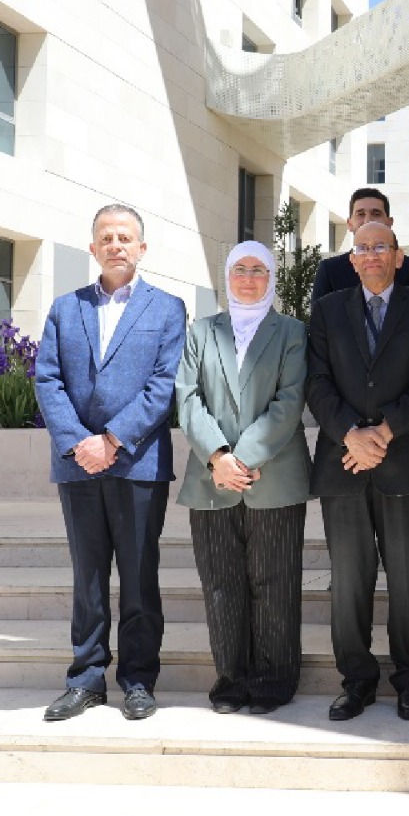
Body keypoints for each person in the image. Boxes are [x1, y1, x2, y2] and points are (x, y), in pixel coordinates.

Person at [34, 205, 186, 723]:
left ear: (142, 248)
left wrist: (113, 440)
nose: (116, 244)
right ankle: (86, 680)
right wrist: (80, 442)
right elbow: (47, 379)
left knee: (140, 578)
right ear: (93, 247)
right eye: (107, 237)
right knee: (89, 578)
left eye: (125, 237)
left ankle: (139, 680)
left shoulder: (167, 308)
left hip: (138, 463)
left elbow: (164, 384)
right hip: (78, 464)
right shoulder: (65, 308)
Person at [307, 221, 409, 722]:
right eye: (362, 248)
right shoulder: (327, 310)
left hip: (404, 461)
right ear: (352, 258)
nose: (370, 255)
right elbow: (316, 382)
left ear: (398, 256)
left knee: (408, 581)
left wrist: (384, 431)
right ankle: (357, 682)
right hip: (343, 463)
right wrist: (350, 434)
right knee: (348, 583)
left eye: (380, 246)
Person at [175, 241, 312, 716]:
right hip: (212, 479)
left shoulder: (292, 332)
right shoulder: (201, 332)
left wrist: (244, 457)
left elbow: (289, 401)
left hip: (274, 477)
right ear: (227, 276)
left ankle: (274, 679)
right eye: (240, 269)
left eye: (258, 270)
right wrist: (218, 457)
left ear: (271, 278)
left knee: (275, 582)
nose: (249, 278)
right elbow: (187, 398)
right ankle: (231, 678)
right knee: (221, 583)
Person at [309, 189, 409, 305]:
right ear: (350, 224)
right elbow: (320, 315)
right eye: (360, 214)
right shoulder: (330, 270)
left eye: (376, 214)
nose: (368, 220)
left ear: (389, 222)